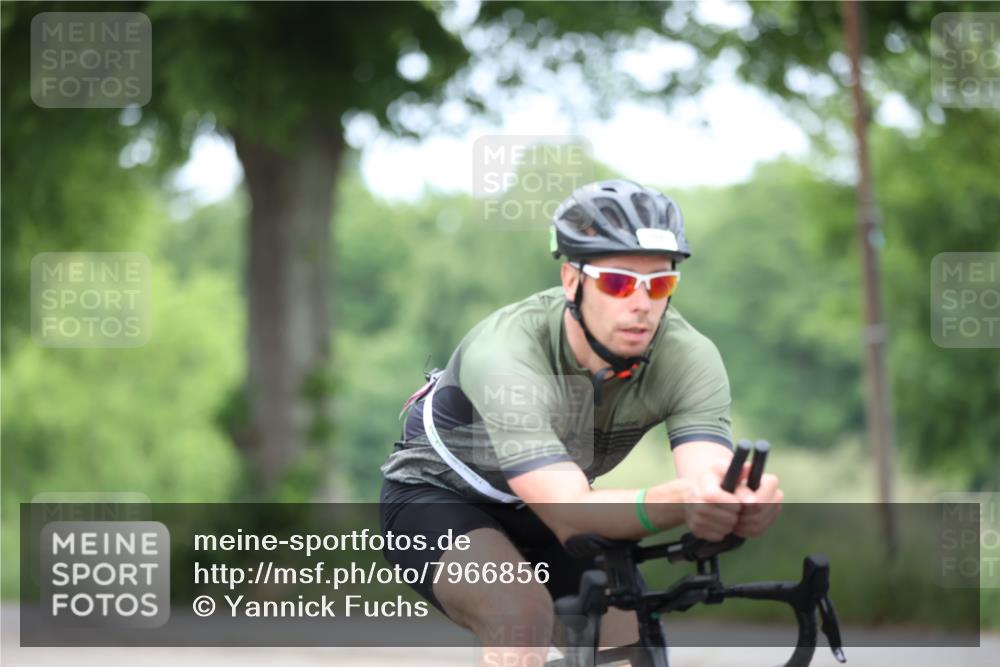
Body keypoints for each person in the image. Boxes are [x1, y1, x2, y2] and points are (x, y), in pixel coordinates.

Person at [379, 179, 784, 665]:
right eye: (617, 282)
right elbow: (568, 510)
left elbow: (707, 476)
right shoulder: (507, 351)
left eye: (659, 284)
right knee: (518, 616)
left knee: (627, 641)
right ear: (572, 280)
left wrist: (736, 502)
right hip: (441, 497)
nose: (641, 304)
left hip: (553, 504)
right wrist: (679, 500)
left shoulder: (689, 356)